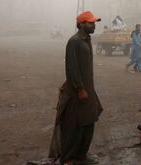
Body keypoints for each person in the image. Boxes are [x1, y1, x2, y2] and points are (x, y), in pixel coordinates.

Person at [49, 11, 103, 165]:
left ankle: (81, 156)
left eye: (94, 23)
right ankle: (68, 159)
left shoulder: (86, 40)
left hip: (88, 88)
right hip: (77, 91)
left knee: (89, 122)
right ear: (81, 24)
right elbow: (71, 67)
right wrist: (80, 88)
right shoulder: (74, 41)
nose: (94, 25)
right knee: (73, 126)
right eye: (91, 23)